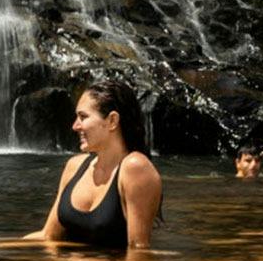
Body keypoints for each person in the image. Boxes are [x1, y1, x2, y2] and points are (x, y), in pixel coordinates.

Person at [23, 79, 163, 249]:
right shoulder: (75, 166)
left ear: (112, 121)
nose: (75, 126)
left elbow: (138, 251)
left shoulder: (135, 168)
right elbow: (48, 236)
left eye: (83, 117)